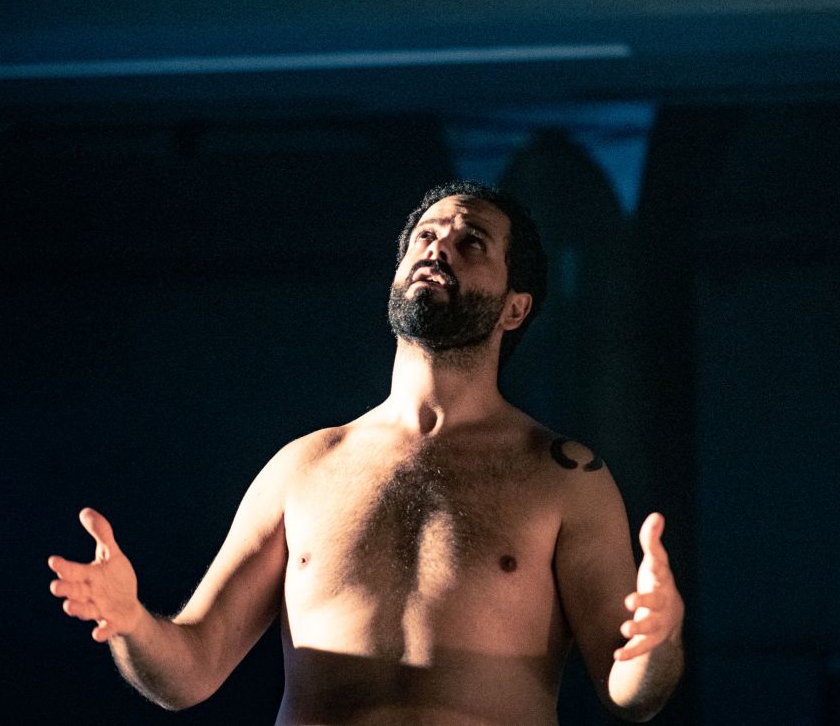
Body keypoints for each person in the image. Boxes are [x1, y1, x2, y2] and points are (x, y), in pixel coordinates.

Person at [47, 181, 685, 724]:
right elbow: (189, 673)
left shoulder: (565, 476)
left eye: (471, 243)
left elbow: (630, 691)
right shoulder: (304, 467)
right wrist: (132, 623)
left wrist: (659, 643)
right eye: (426, 236)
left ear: (514, 308)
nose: (438, 248)